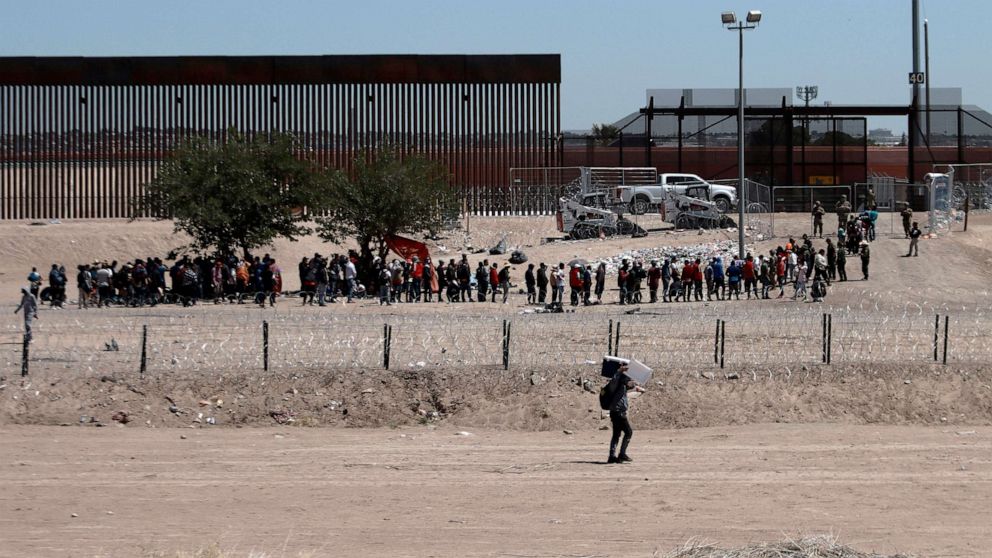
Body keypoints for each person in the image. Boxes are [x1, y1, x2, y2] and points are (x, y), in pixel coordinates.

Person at [606, 364, 645, 464]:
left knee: (616, 434)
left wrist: (635, 387)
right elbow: (616, 381)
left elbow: (628, 385)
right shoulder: (616, 380)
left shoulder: (621, 385)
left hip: (616, 412)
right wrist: (619, 371)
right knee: (628, 432)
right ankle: (622, 454)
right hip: (618, 412)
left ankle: (612, 456)